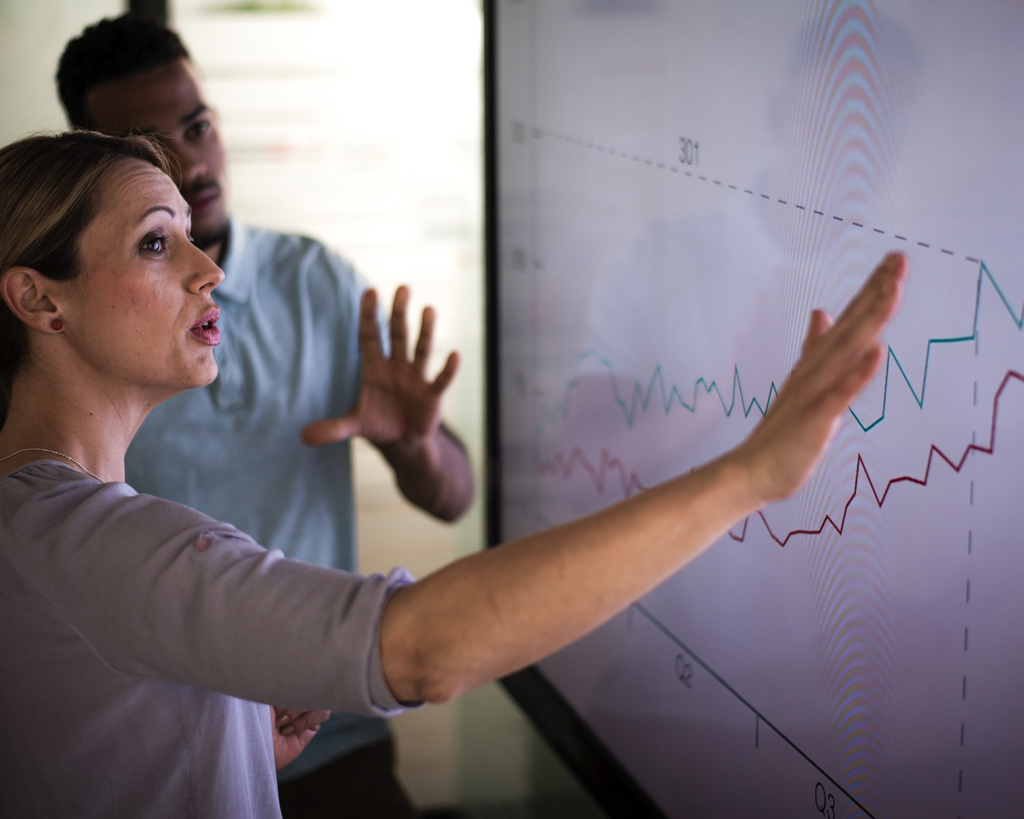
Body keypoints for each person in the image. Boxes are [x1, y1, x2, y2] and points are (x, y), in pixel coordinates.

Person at [0, 129, 904, 818]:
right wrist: (748, 474)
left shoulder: (41, 524)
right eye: (157, 244)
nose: (209, 270)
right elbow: (426, 648)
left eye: (192, 237)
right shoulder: (94, 544)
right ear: (39, 297)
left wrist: (224, 733)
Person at [56, 15, 474, 816]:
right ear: (93, 164)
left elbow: (453, 496)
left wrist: (415, 445)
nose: (193, 159)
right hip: (169, 752)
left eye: (199, 124)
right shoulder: (77, 328)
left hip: (333, 735)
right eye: (151, 144)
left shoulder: (316, 281)